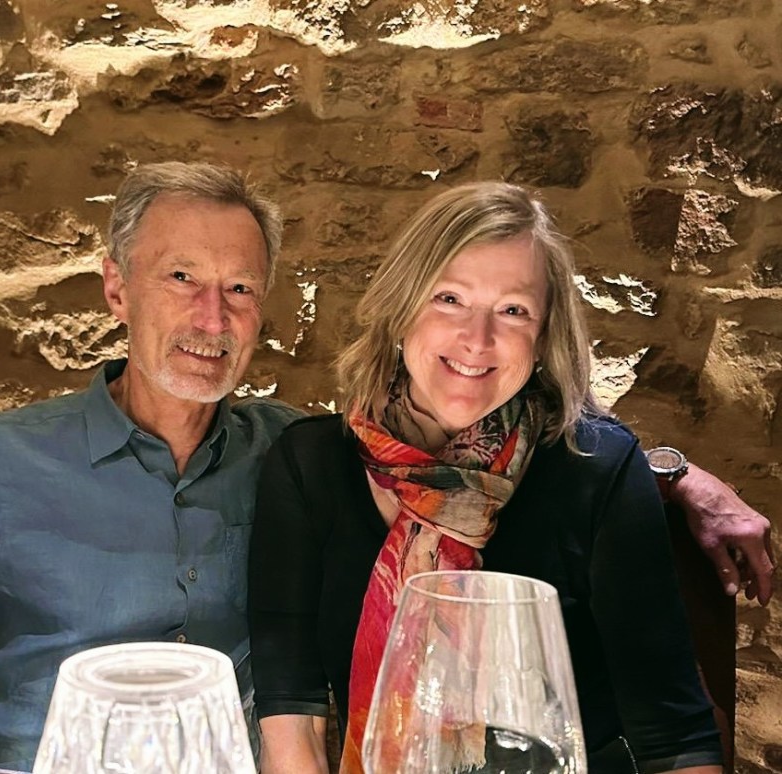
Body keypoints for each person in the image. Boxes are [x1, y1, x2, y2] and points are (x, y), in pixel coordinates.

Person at [0, 164, 769, 771]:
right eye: (181, 279)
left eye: (240, 289)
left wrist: (674, 472)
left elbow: (506, 440)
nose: (211, 319)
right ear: (116, 289)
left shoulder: (298, 455)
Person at [248, 182, 728, 774]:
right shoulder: (310, 465)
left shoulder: (596, 468)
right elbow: (291, 718)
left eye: (513, 310)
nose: (478, 340)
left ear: (544, 337)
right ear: (401, 310)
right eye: (450, 299)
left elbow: (675, 737)